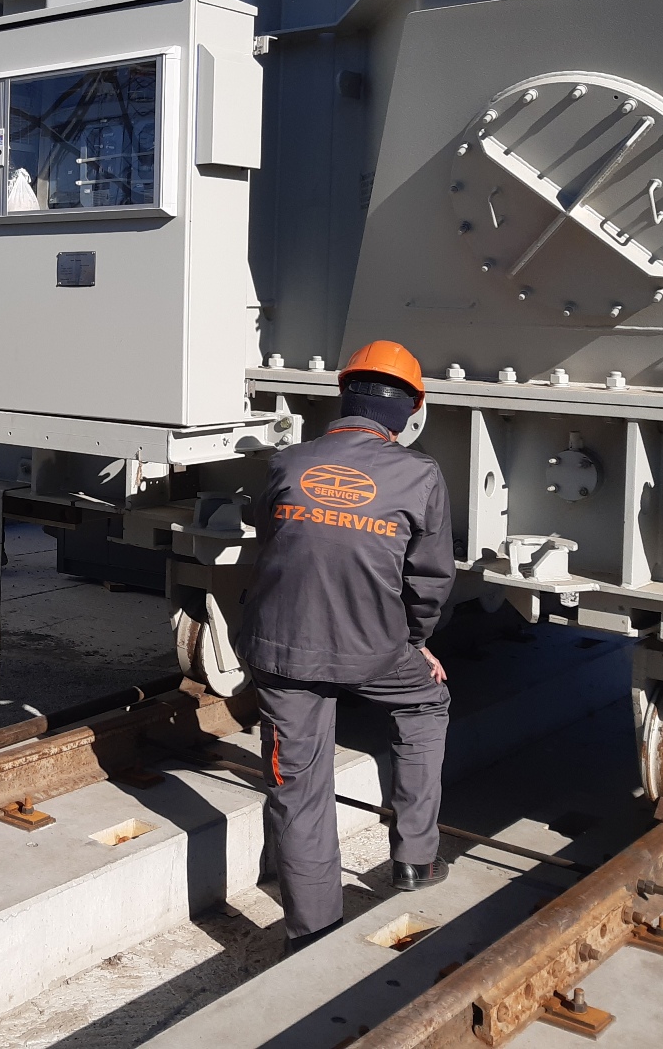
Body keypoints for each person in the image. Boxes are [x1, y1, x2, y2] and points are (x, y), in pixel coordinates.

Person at [236, 339, 454, 954]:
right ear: (412, 407)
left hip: (284, 650)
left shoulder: (288, 462)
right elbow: (431, 579)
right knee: (423, 704)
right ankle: (415, 858)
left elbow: (272, 535)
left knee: (298, 786)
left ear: (343, 396)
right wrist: (417, 642)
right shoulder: (420, 474)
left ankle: (312, 935)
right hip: (376, 650)